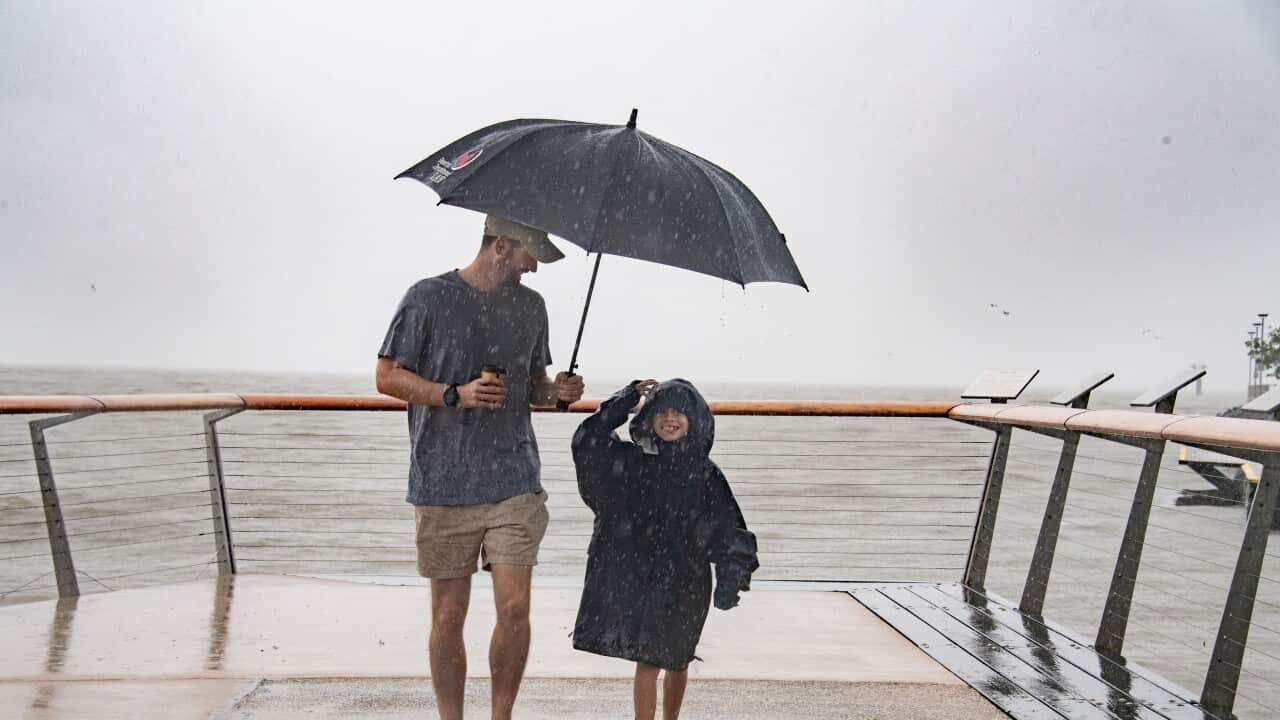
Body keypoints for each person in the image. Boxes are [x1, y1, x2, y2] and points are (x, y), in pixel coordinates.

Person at [375, 214, 585, 720]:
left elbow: (535, 387)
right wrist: (454, 394)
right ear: (502, 246)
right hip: (442, 480)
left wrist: (558, 392)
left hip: (514, 479)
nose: (534, 268)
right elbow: (387, 376)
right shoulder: (426, 298)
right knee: (449, 616)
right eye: (530, 255)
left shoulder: (532, 308)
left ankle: (501, 716)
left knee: (515, 608)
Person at [570, 378, 758, 720]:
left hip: (688, 580)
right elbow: (589, 440)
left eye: (680, 413)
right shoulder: (632, 463)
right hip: (643, 577)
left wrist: (731, 578)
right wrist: (625, 399)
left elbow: (729, 527)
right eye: (662, 411)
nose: (670, 419)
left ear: (694, 420)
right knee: (648, 658)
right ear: (649, 417)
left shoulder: (706, 474)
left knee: (678, 657)